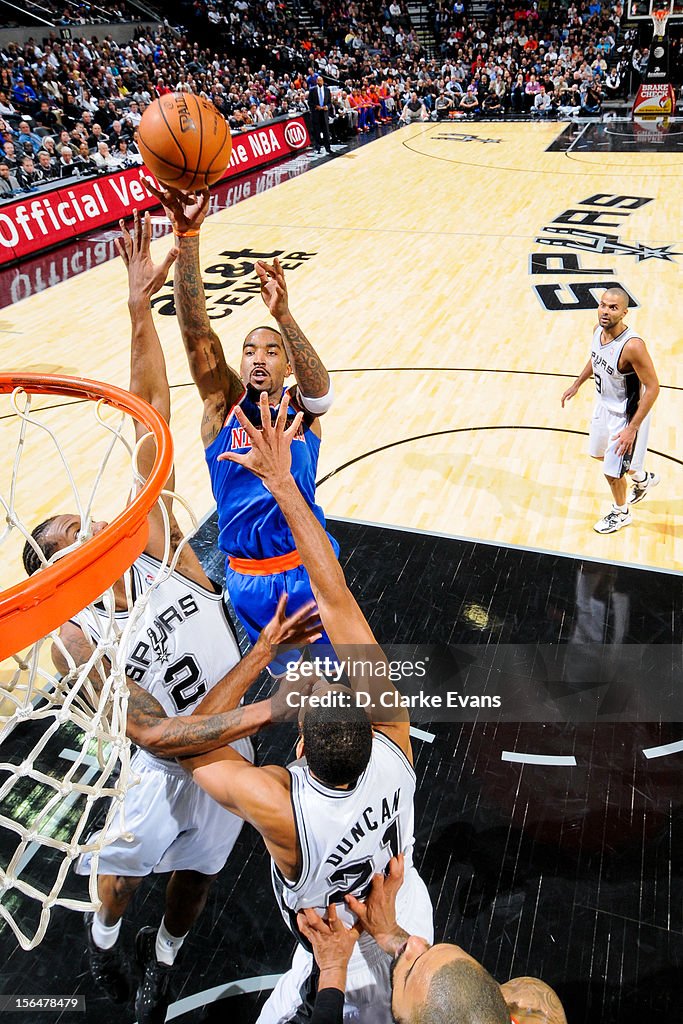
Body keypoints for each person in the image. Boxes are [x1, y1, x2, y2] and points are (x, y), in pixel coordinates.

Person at [22, 212, 322, 1024]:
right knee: (121, 876)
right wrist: (260, 691)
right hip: (170, 763)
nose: (80, 528)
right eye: (62, 537)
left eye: (76, 522)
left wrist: (135, 308)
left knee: (198, 877)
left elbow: (146, 408)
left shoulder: (152, 542)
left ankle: (161, 963)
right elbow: (157, 736)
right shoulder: (75, 641)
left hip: (228, 731)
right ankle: (104, 947)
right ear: (54, 568)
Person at [180, 394, 434, 1024]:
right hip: (403, 919)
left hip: (336, 958)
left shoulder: (285, 810)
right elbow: (337, 595)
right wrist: (286, 483)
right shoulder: (396, 749)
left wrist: (266, 698)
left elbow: (185, 741)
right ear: (373, 734)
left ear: (297, 751)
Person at [143, 182, 336, 674]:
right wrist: (187, 236)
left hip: (309, 565)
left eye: (271, 351)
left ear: (286, 365)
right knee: (291, 688)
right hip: (248, 577)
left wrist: (283, 317)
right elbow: (196, 335)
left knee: (340, 687)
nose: (258, 357)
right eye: (250, 349)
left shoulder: (300, 409)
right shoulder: (221, 408)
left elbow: (323, 392)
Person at [561, 287, 660, 534]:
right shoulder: (597, 331)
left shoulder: (632, 346)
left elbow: (653, 387)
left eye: (613, 307)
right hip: (603, 407)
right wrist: (577, 383)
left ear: (624, 312)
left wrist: (632, 428)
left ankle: (621, 512)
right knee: (597, 454)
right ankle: (642, 478)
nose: (605, 311)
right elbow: (595, 359)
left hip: (627, 417)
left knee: (612, 473)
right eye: (603, 305)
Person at [308, 75, 333, 154]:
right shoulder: (312, 90)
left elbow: (329, 102)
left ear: (323, 81)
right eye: (318, 80)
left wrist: (327, 107)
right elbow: (309, 102)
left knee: (326, 131)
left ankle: (328, 148)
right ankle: (317, 148)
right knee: (317, 132)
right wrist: (316, 106)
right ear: (316, 81)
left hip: (324, 113)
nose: (319, 82)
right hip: (316, 113)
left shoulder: (327, 90)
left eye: (321, 80)